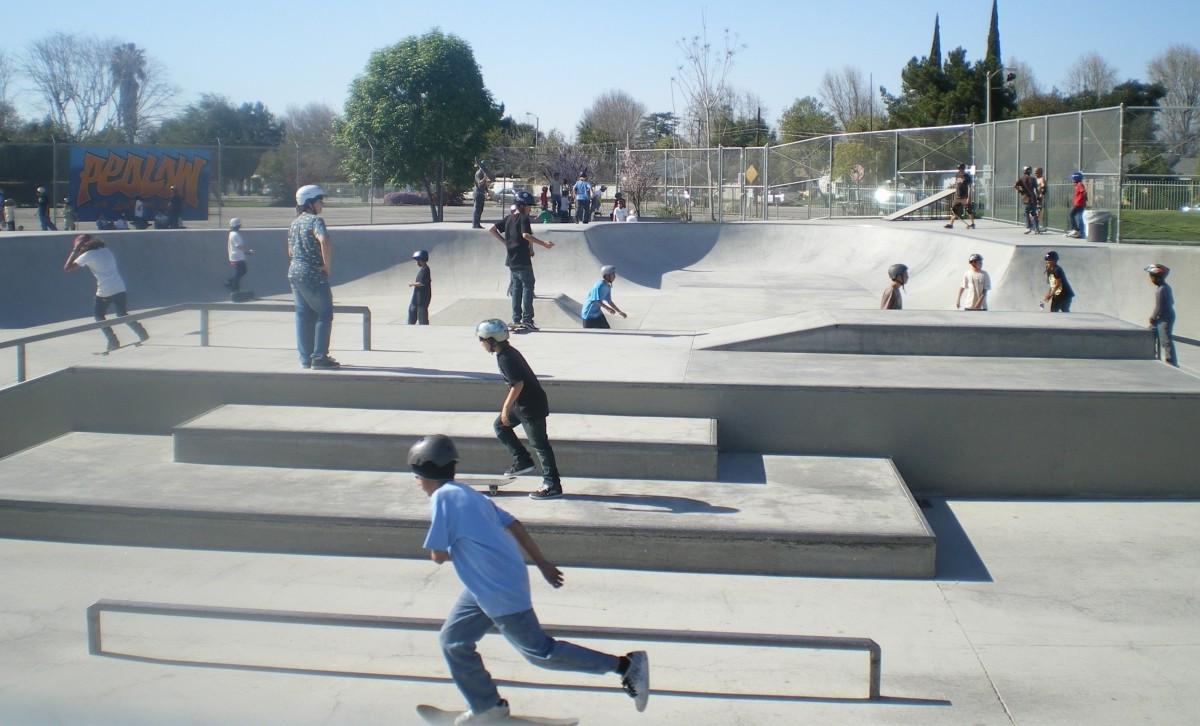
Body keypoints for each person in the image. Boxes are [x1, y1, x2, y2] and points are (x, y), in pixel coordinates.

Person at [407, 434, 650, 723]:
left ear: (425, 473)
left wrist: (451, 548)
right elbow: (515, 524)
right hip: (487, 585)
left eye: (416, 477)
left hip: (497, 589)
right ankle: (488, 707)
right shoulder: (468, 493)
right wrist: (543, 564)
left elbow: (437, 555)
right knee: (454, 641)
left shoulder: (442, 498)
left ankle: (625, 666)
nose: (417, 483)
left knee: (539, 652)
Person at [476, 319, 564, 500]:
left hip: (531, 406)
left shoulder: (505, 358)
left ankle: (552, 485)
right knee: (500, 426)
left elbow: (518, 384)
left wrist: (505, 408)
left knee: (540, 445)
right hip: (523, 405)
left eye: (482, 339)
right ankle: (522, 460)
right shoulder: (507, 353)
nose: (481, 344)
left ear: (493, 340)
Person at [62, 233, 150, 352]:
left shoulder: (88, 254)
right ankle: (142, 333)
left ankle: (112, 341)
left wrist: (75, 249)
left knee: (99, 315)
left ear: (82, 246)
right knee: (122, 314)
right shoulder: (106, 250)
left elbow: (67, 268)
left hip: (105, 290)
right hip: (120, 287)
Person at [288, 184, 339, 369]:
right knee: (324, 314)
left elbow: (290, 251)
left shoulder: (294, 223)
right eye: (319, 201)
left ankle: (305, 358)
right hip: (313, 273)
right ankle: (319, 357)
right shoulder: (315, 221)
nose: (321, 206)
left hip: (294, 271)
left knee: (303, 314)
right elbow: (324, 239)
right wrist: (326, 265)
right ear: (310, 202)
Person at [489, 190, 555, 331]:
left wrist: (505, 242)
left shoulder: (509, 218)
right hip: (523, 259)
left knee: (516, 288)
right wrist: (543, 243)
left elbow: (492, 229)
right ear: (522, 205)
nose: (530, 209)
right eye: (529, 206)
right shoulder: (523, 218)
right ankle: (527, 319)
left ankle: (516, 319)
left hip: (511, 260)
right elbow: (526, 235)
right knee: (528, 286)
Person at [1145, 264, 1177, 366]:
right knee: (1150, 331)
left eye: (1151, 276)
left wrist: (1153, 317)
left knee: (1165, 340)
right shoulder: (1165, 287)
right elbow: (1172, 301)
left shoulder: (1161, 290)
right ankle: (1151, 353)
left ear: (1157, 278)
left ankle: (1171, 361)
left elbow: (1159, 307)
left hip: (1165, 318)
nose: (1150, 279)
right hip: (1164, 316)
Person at [224, 218, 252, 293]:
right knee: (240, 272)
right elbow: (238, 246)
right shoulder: (235, 235)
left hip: (235, 256)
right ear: (237, 225)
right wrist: (247, 251)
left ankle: (231, 283)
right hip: (237, 257)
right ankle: (233, 287)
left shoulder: (231, 233)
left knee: (242, 271)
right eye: (239, 224)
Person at [944, 164, 975, 229]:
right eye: (958, 169)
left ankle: (972, 224)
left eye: (960, 169)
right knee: (954, 210)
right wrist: (955, 195)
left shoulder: (967, 176)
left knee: (969, 210)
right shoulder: (957, 175)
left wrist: (968, 198)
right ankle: (951, 224)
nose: (959, 170)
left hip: (964, 197)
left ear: (963, 169)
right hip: (957, 197)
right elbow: (956, 185)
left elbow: (969, 188)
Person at [408, 249, 432, 325]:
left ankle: (424, 329)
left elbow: (421, 283)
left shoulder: (425, 270)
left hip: (423, 297)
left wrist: (412, 284)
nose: (417, 262)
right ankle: (410, 327)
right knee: (412, 311)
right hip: (417, 296)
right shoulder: (422, 269)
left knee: (421, 315)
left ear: (421, 260)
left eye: (418, 260)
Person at [1013, 166, 1040, 235]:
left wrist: (1020, 191)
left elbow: (1014, 186)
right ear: (1030, 172)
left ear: (1024, 172)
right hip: (1033, 198)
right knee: (1034, 213)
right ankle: (1036, 228)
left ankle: (1028, 227)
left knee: (1027, 213)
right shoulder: (1033, 179)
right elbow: (1037, 189)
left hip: (1026, 198)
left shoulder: (1022, 179)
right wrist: (1038, 197)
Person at [1066, 172, 1087, 239]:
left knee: (1070, 215)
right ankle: (1081, 232)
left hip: (1079, 204)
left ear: (1077, 178)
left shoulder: (1080, 184)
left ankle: (1076, 229)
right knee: (1080, 217)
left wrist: (1084, 199)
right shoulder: (1078, 184)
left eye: (1074, 178)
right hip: (1080, 203)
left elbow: (1084, 192)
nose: (1073, 180)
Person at [472, 161, 490, 229]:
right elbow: (479, 183)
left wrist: (487, 191)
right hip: (478, 193)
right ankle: (475, 224)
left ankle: (477, 223)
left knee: (480, 209)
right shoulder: (479, 173)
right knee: (477, 209)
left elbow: (484, 185)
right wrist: (485, 177)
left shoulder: (483, 172)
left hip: (481, 193)